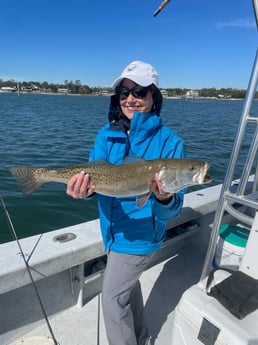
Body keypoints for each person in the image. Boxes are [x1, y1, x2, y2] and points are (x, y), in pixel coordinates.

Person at [66, 61, 186, 345]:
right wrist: (86, 191)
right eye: (123, 92)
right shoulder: (107, 133)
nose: (130, 98)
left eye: (140, 91)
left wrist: (164, 196)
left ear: (154, 96)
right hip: (110, 232)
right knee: (126, 290)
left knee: (111, 300)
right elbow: (98, 178)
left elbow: (175, 209)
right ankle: (142, 337)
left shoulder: (170, 143)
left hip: (140, 237)